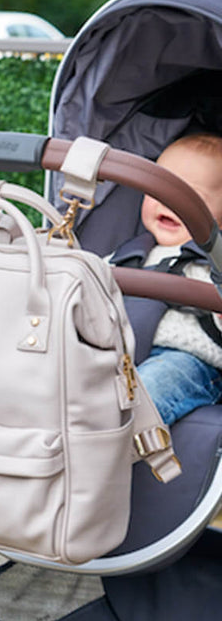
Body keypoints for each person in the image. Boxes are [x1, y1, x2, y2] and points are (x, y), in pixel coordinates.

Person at [109, 133, 222, 425]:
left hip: (187, 359)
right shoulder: (129, 253)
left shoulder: (217, 259)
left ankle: (109, 446)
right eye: (157, 191)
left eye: (189, 199)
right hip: (114, 355)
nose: (168, 204)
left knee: (152, 388)